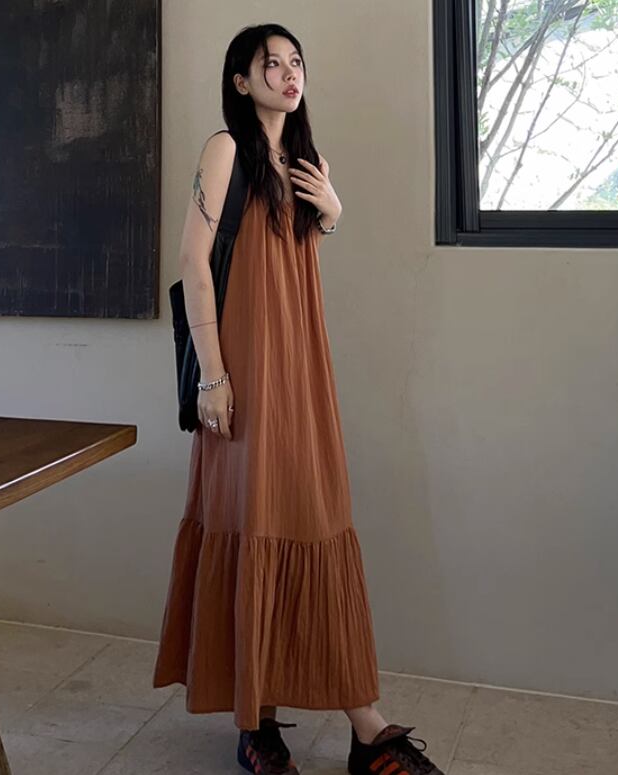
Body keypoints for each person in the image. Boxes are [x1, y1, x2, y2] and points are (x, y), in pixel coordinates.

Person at [153, 23, 444, 775]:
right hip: (244, 369)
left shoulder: (306, 162)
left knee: (308, 519)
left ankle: (354, 725)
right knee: (255, 520)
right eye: (270, 63)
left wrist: (333, 208)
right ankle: (268, 722)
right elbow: (192, 260)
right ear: (240, 80)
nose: (288, 74)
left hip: (302, 367)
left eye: (296, 62)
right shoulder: (226, 149)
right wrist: (213, 374)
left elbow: (301, 247)